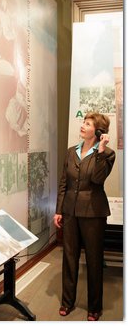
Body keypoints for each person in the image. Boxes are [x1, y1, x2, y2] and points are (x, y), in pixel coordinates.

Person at [53, 112, 115, 321]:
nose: (82, 125)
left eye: (87, 124)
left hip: (93, 213)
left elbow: (98, 180)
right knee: (69, 258)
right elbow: (64, 183)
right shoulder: (71, 152)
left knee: (94, 259)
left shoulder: (108, 154)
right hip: (70, 211)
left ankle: (94, 307)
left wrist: (101, 150)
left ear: (98, 131)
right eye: (83, 122)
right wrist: (59, 210)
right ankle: (67, 302)